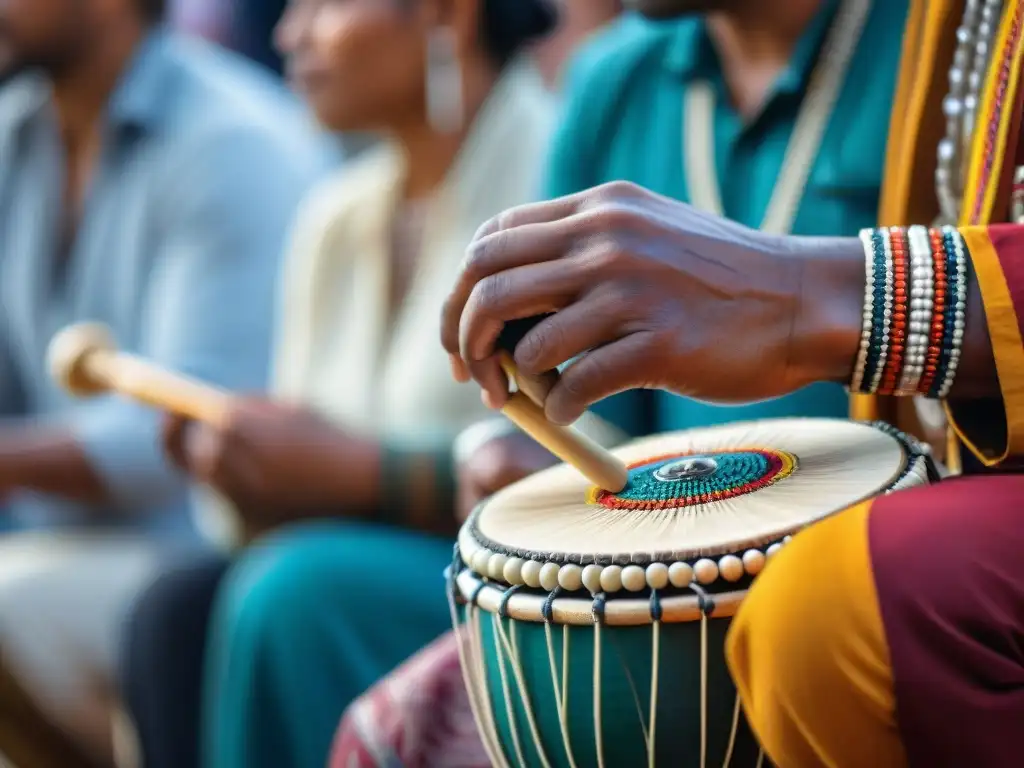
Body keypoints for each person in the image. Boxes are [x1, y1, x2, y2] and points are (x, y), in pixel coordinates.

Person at [331, 0, 1024, 766]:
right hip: (663, 581)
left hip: (860, 551)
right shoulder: (614, 76)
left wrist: (804, 297)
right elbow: (602, 426)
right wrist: (556, 483)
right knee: (380, 720)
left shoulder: (908, 34)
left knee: (832, 602)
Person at [116, 2, 606, 768]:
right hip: (335, 565)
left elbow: (603, 463)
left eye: (326, 3)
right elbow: (287, 486)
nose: (289, 35)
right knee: (176, 609)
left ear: (448, 15)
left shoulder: (559, 180)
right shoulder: (336, 217)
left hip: (524, 584)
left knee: (294, 592)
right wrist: (242, 465)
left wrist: (366, 475)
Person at [0, 0, 330, 763]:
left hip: (196, 559)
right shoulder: (18, 131)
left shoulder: (232, 143)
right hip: (51, 550)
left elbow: (173, 436)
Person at [448, 0, 924, 524]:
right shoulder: (611, 80)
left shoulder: (958, 39)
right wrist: (544, 457)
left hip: (896, 548)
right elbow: (610, 434)